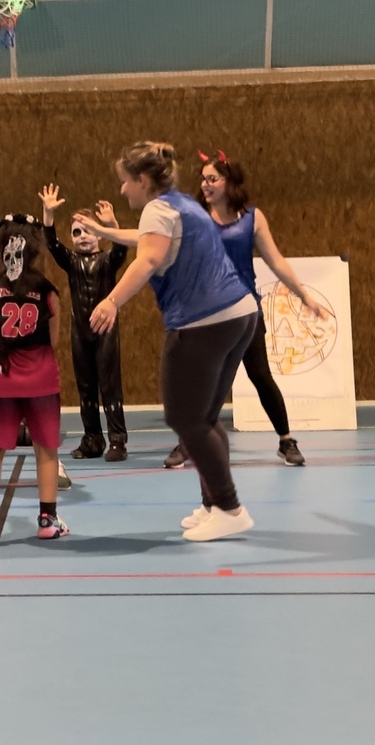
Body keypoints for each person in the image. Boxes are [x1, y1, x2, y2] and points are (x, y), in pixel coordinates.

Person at [77, 141, 258, 543]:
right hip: (240, 313)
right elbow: (150, 238)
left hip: (203, 321)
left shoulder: (156, 209)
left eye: (125, 182)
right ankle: (214, 505)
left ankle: (230, 508)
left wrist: (111, 301)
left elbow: (149, 257)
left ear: (142, 180)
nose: (122, 190)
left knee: (185, 417)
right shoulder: (182, 204)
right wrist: (106, 232)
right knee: (204, 417)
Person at [182, 150, 326, 467]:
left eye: (212, 179)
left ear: (228, 181)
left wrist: (304, 295)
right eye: (202, 179)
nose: (205, 184)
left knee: (260, 375)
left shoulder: (252, 218)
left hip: (245, 311)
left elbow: (276, 261)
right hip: (206, 314)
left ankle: (286, 441)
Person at [0, 216, 69, 540]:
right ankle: (48, 520)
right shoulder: (48, 292)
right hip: (42, 381)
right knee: (46, 449)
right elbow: (54, 340)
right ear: (35, 252)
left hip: (2, 380)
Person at [39, 184, 128, 461]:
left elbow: (121, 250)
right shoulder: (72, 261)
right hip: (80, 333)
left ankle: (117, 440)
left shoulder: (107, 261)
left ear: (99, 235)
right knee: (86, 387)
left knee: (109, 385)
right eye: (76, 232)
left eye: (88, 230)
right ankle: (92, 438)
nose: (82, 237)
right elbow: (52, 245)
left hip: (105, 333)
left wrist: (112, 225)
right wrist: (48, 215)